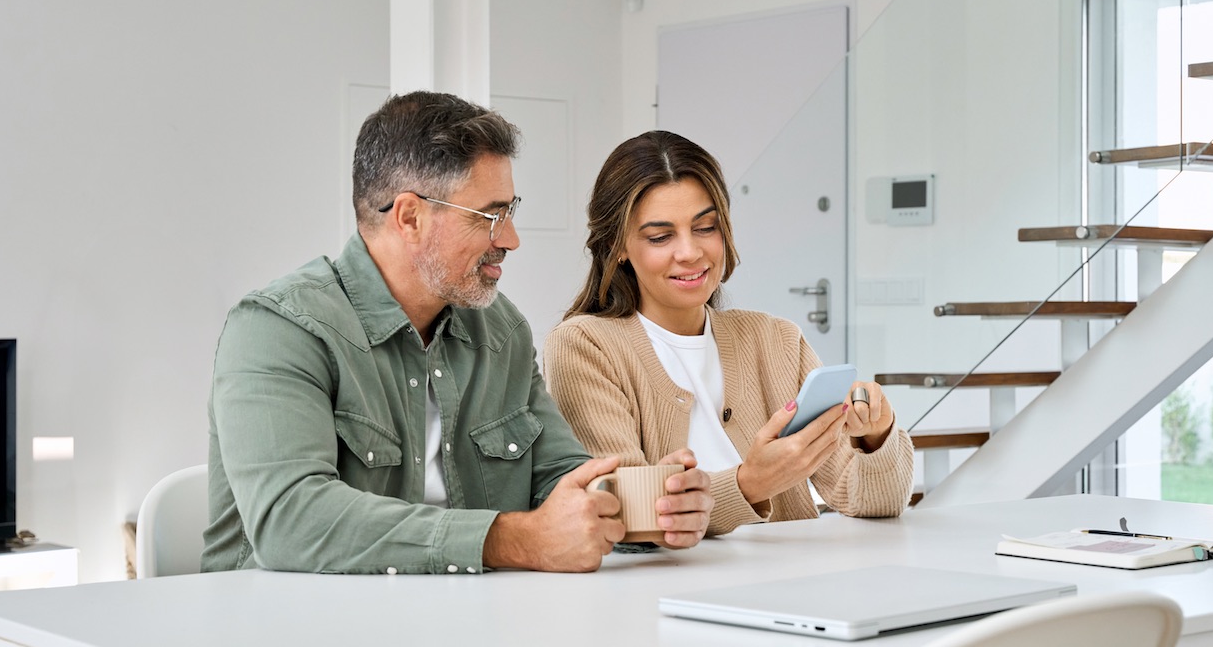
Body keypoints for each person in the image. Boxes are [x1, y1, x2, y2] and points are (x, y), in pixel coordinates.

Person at [202, 93, 715, 577]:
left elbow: (559, 476)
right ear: (410, 217)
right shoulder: (279, 328)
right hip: (282, 643)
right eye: (490, 216)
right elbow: (292, 520)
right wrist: (513, 540)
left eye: (510, 212)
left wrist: (647, 505)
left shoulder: (499, 329)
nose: (510, 239)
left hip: (461, 631)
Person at [543, 131, 913, 536]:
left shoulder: (775, 340)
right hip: (665, 594)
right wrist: (750, 484)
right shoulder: (584, 346)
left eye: (705, 227)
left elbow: (877, 503)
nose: (690, 252)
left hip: (794, 587)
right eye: (660, 237)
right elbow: (627, 515)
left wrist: (877, 436)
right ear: (618, 246)